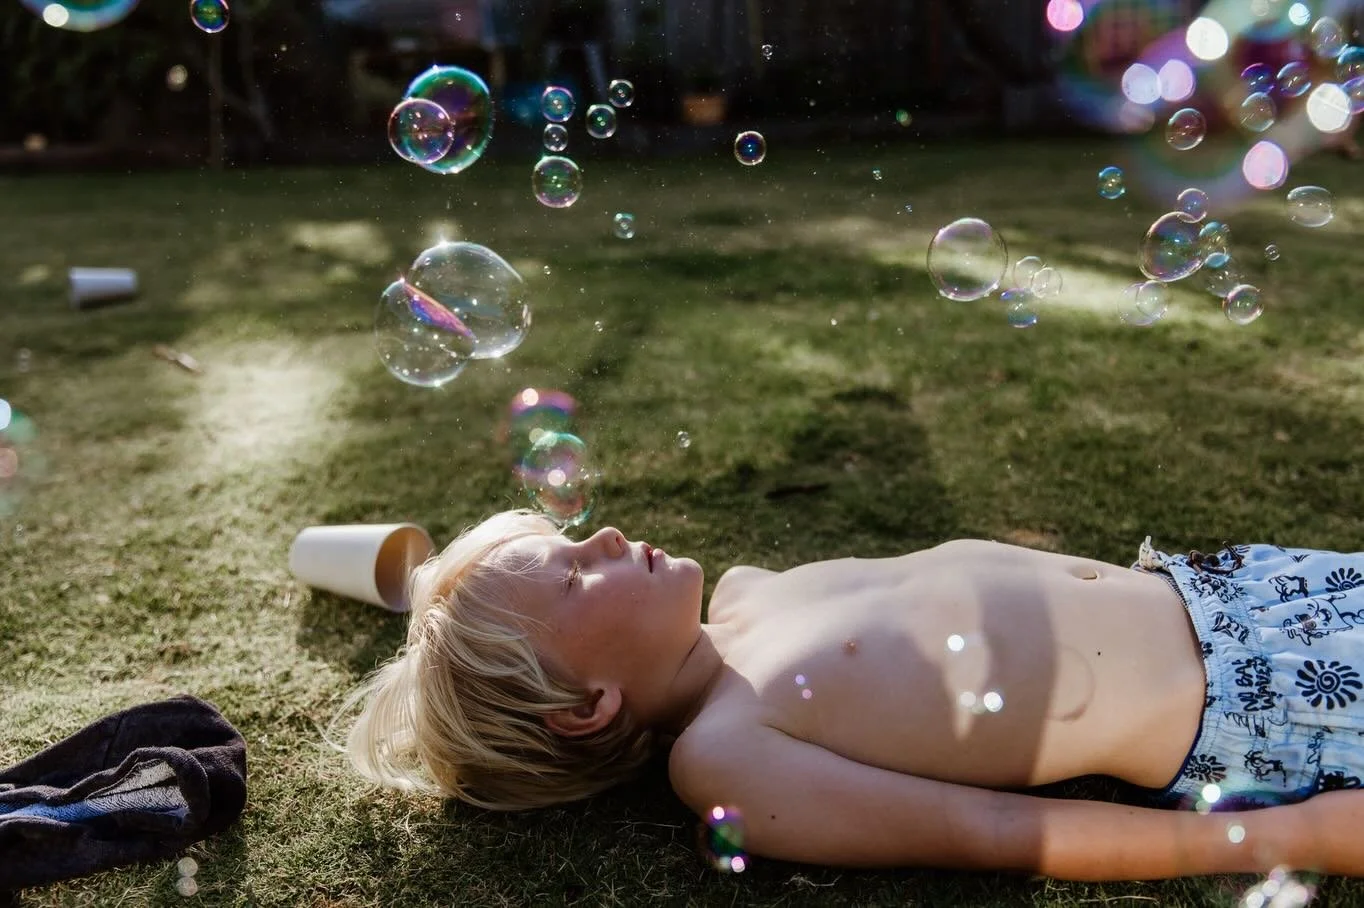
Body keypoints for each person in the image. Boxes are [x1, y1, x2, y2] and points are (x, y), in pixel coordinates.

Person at [336, 511, 1364, 880]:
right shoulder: (727, 754)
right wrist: (1302, 835)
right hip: (1265, 701)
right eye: (571, 575)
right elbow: (994, 827)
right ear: (587, 705)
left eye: (567, 543)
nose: (603, 538)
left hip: (1248, 584)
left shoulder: (748, 593)